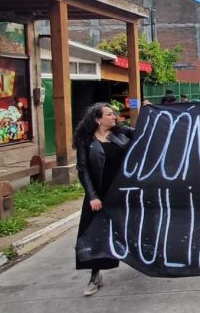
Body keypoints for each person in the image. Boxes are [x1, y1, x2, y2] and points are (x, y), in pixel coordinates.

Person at [73, 103, 134, 296]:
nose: (114, 116)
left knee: (133, 228)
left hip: (122, 193)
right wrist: (93, 196)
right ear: (98, 119)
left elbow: (146, 133)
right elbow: (83, 169)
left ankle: (146, 261)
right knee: (95, 234)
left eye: (113, 114)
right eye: (109, 114)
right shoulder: (85, 140)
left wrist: (150, 111)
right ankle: (94, 275)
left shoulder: (122, 133)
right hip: (100, 194)